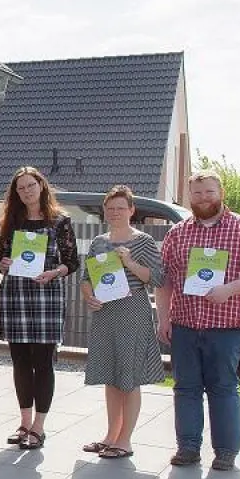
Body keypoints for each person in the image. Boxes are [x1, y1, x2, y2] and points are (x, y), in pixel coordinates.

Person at [157, 170, 240, 471]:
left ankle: (225, 452)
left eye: (209, 192)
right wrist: (163, 318)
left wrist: (229, 289)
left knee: (222, 386)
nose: (203, 198)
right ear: (189, 196)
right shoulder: (177, 233)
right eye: (196, 193)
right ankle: (188, 448)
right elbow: (164, 279)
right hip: (184, 323)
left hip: (227, 325)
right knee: (185, 387)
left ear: (220, 192)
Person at [0, 166, 79, 450]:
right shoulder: (12, 221)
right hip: (16, 295)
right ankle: (24, 422)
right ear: (15, 193)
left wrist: (55, 272)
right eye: (21, 188)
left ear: (42, 186)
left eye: (31, 186)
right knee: (19, 362)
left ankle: (39, 428)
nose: (26, 191)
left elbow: (73, 262)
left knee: (43, 363)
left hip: (47, 296)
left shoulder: (60, 221)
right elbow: (0, 260)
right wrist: (4, 264)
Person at [80, 186, 165, 459]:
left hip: (132, 312)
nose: (115, 213)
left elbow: (157, 278)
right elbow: (85, 278)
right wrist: (89, 297)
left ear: (131, 211)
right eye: (110, 208)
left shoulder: (143, 242)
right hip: (105, 314)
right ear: (105, 211)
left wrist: (129, 262)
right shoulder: (99, 242)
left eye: (120, 208)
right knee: (111, 376)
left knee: (129, 377)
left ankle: (125, 440)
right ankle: (110, 436)